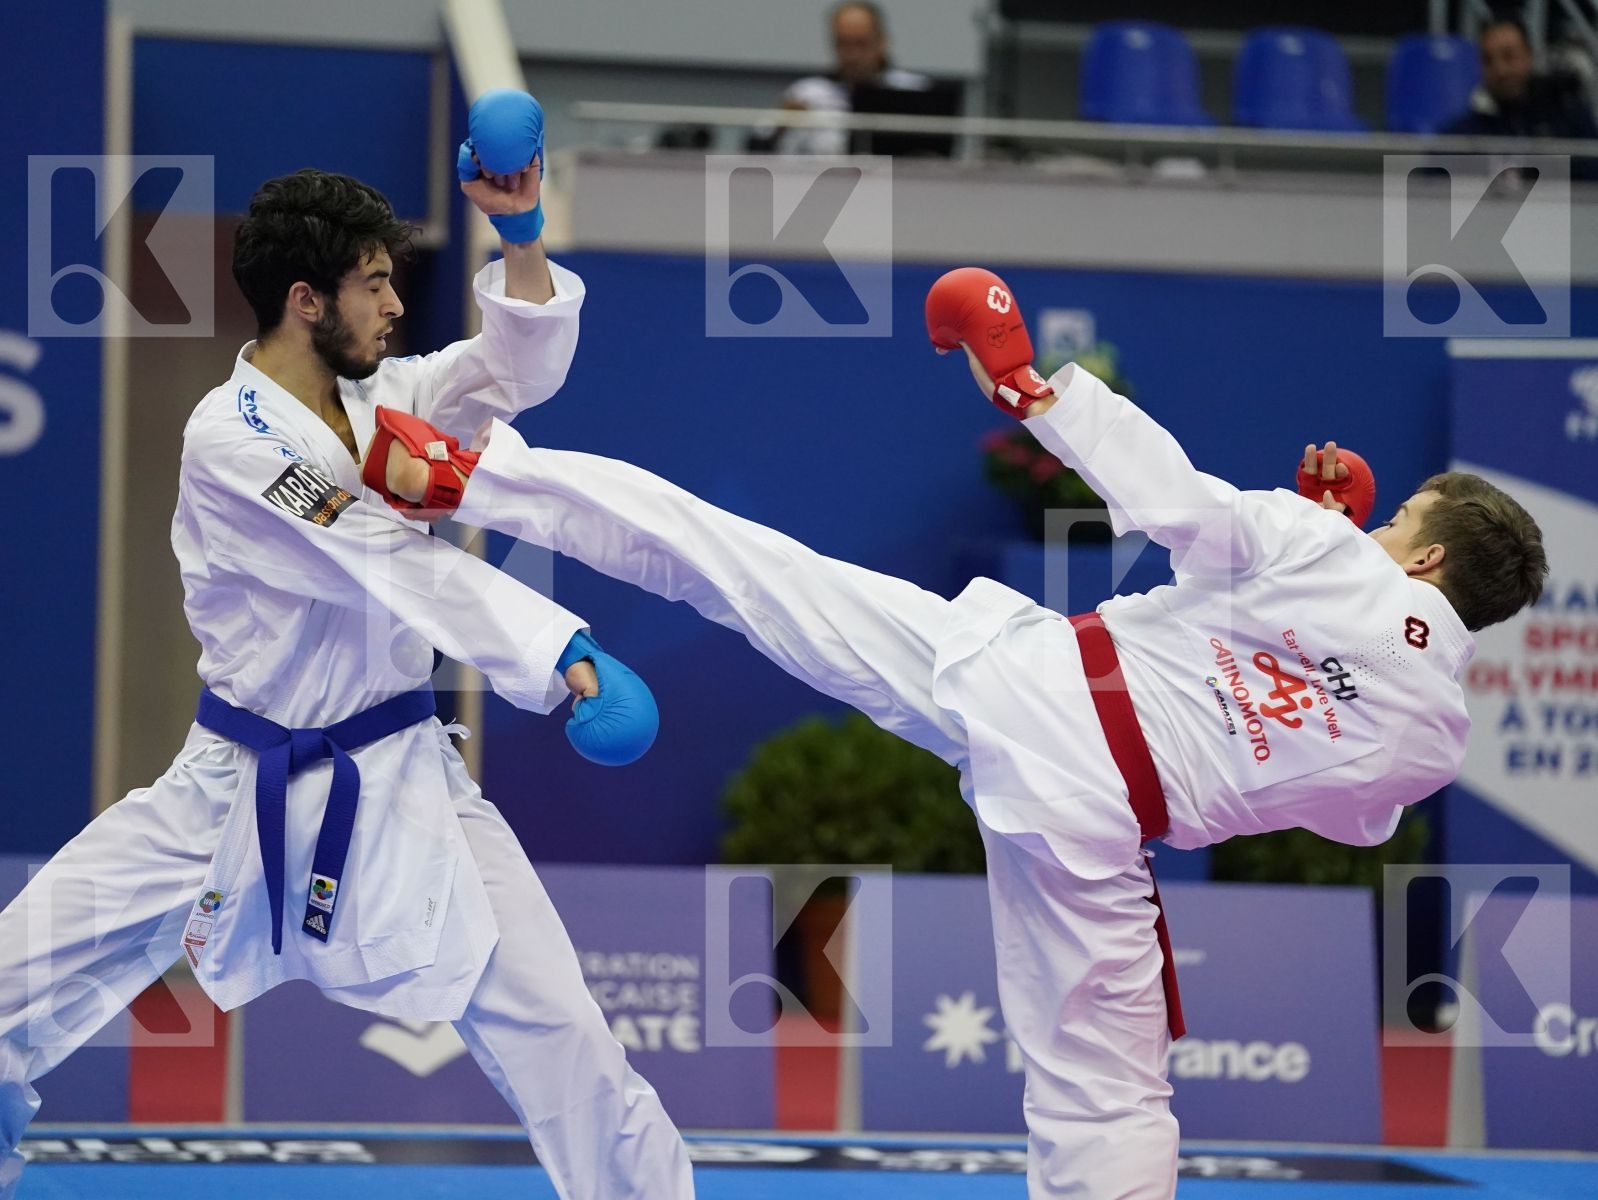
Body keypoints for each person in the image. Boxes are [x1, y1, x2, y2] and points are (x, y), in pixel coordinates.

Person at [364, 269, 1546, 1199]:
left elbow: (1176, 504)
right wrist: (1322, 543)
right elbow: (1348, 799)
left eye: (1401, 521)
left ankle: (464, 477)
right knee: (1110, 1094)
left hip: (1033, 691)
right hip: (1102, 831)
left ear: (1430, 556)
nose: (1382, 526)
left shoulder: (1323, 555)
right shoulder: (1429, 736)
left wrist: (1037, 387)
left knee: (729, 559)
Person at [0, 93, 694, 1200]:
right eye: (372, 282)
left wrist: (520, 235)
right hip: (230, 787)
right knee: (10, 983)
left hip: (404, 774)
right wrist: (563, 650)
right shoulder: (229, 438)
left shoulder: (391, 397)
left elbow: (512, 373)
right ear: (304, 300)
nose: (391, 300)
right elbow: (385, 555)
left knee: (566, 1035)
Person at [752, 1, 935, 155]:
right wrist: (782, 126)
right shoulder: (807, 93)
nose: (853, 54)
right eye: (843, 43)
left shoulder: (915, 91)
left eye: (861, 43)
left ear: (882, 42)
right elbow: (755, 147)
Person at [1445, 16, 1598, 177]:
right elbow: (1426, 187)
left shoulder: (1569, 118)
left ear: (1529, 56)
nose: (1500, 70)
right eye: (1488, 60)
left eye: (1509, 56)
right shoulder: (1464, 134)